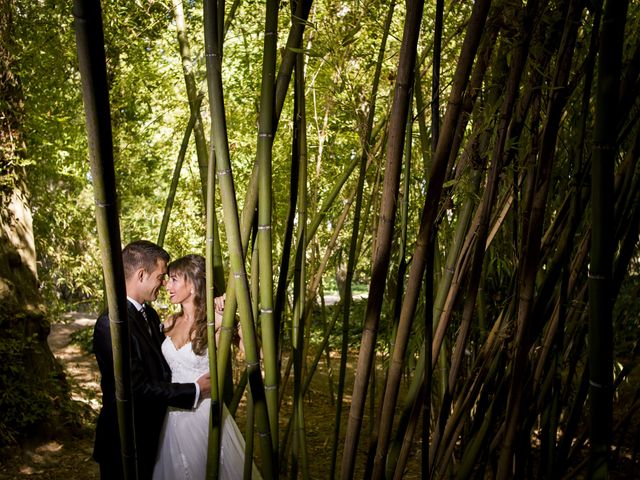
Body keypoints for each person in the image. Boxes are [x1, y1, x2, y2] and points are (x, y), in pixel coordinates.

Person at [93, 241, 211, 479]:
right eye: (161, 276)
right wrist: (195, 390)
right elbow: (136, 388)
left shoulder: (150, 313)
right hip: (127, 439)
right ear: (141, 275)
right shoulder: (111, 325)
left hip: (156, 433)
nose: (164, 283)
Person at [153, 254, 262, 480]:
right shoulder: (171, 321)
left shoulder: (217, 321)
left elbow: (256, 354)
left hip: (203, 414)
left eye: (173, 279)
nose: (167, 285)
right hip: (171, 412)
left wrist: (234, 316)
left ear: (192, 284)